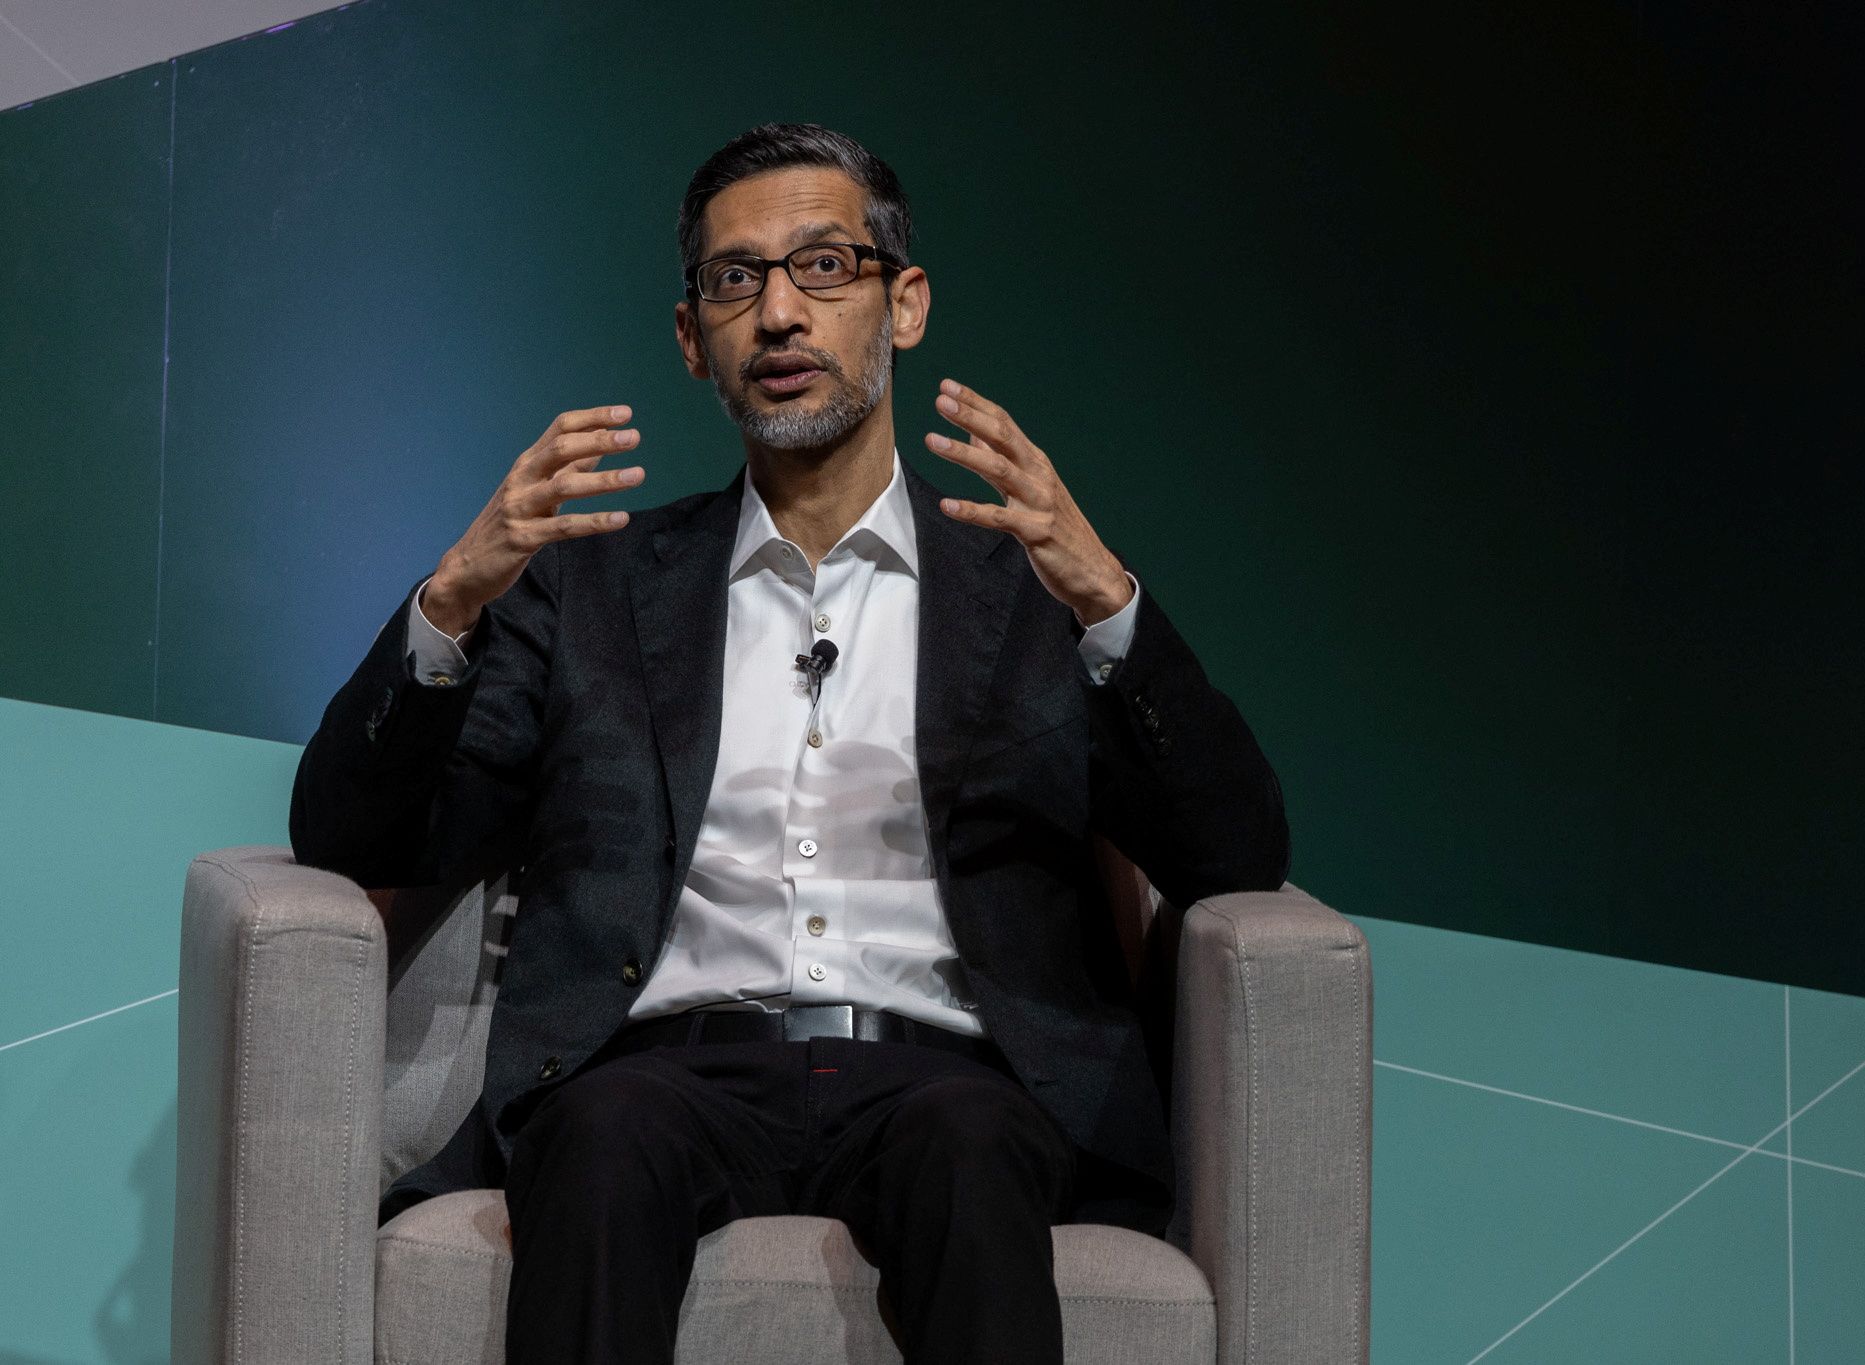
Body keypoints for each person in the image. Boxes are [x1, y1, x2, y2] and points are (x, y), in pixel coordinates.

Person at [289, 121, 1289, 1364]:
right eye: (733, 278)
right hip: (660, 1068)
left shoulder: (1030, 585)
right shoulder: (589, 590)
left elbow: (1235, 852)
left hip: (952, 1077)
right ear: (687, 336)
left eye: (823, 267)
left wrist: (1107, 602)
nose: (777, 314)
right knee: (598, 1143)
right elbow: (351, 836)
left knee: (969, 1152)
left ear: (902, 304)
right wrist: (448, 607)